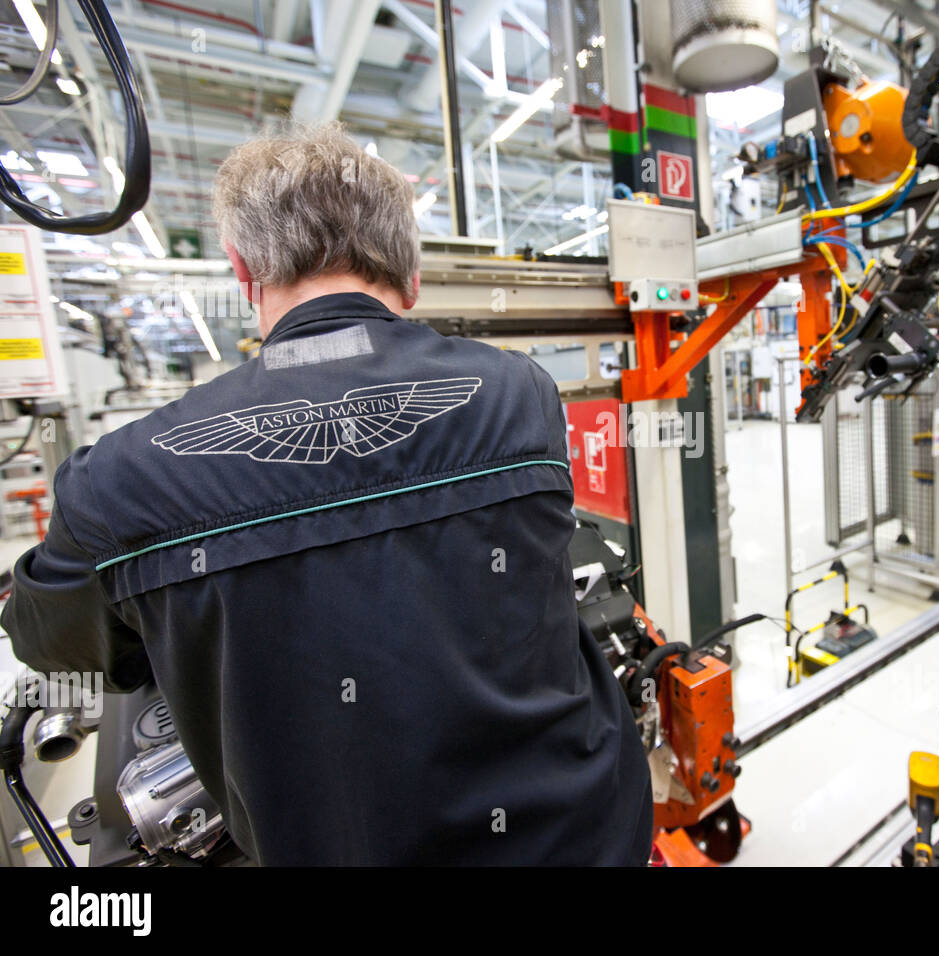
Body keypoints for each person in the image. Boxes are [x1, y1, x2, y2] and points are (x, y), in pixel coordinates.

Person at [1, 123, 653, 865]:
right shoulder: (521, 394)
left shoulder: (120, 479)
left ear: (243, 270)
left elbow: (52, 641)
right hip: (590, 834)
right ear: (410, 277)